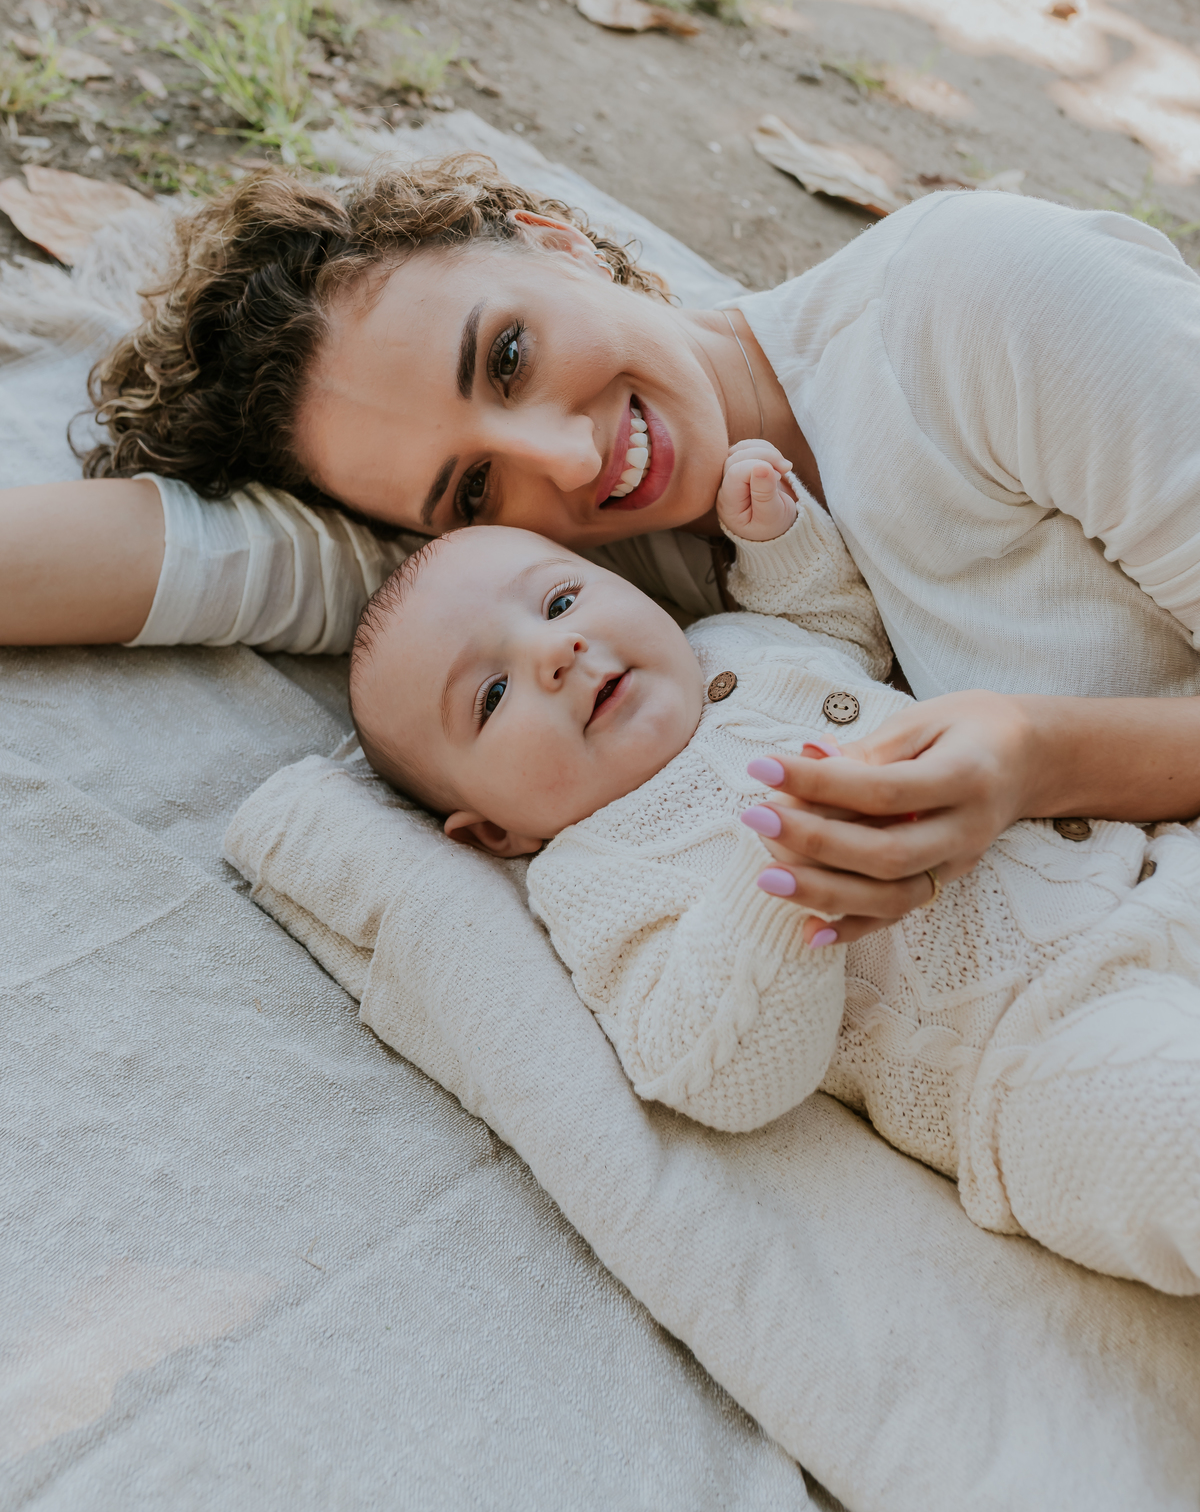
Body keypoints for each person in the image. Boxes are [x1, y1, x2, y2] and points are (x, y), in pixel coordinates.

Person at [6, 154, 1200, 940]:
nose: (571, 460)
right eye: (472, 485)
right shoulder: (559, 599)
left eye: (507, 357)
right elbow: (204, 561)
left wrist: (1039, 757)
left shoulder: (983, 304)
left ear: (558, 241)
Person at [343, 442, 1200, 1295]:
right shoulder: (588, 877)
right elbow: (713, 1070)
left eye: (561, 600)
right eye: (492, 695)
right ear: (493, 833)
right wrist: (777, 881)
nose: (555, 650)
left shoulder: (730, 640)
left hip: (1155, 868)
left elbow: (841, 631)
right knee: (1172, 1126)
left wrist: (780, 541)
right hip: (1034, 1063)